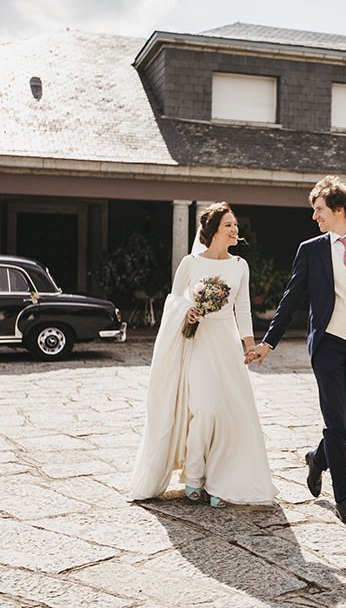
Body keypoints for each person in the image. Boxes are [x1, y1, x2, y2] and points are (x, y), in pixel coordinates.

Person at [252, 176, 346, 525]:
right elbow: (291, 299)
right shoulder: (311, 249)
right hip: (328, 344)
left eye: (318, 210)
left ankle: (317, 458)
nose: (314, 216)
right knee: (335, 421)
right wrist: (269, 341)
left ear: (338, 209)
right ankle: (345, 498)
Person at [128, 202, 277, 507]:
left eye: (236, 225)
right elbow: (174, 303)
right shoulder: (190, 263)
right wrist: (189, 312)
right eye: (228, 225)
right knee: (205, 408)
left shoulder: (239, 266)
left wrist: (250, 346)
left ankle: (217, 480)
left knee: (227, 415)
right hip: (198, 343)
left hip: (228, 344)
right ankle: (193, 476)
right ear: (212, 231)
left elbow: (243, 308)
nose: (235, 230)